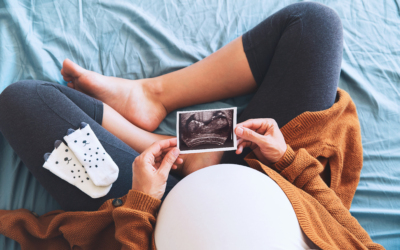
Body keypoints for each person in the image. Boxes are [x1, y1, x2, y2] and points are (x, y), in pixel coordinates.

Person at [0, 2, 383, 249]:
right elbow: (345, 233)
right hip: (268, 177)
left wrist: (141, 205)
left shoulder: (146, 210)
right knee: (314, 25)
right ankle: (155, 97)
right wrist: (287, 160)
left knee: (22, 101)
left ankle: (177, 151)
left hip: (154, 217)